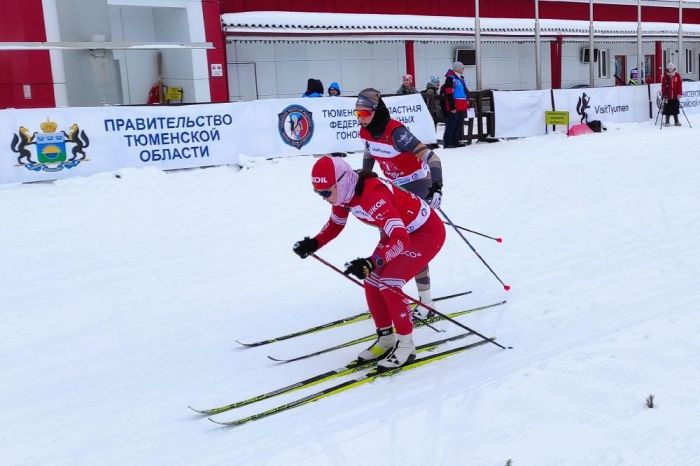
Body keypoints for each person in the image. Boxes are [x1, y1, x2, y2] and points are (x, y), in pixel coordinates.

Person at [292, 156, 446, 369]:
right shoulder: (345, 193)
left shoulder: (373, 196)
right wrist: (314, 243)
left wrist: (372, 262)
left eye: (326, 192)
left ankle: (406, 345)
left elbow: (401, 239)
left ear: (340, 182)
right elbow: (336, 224)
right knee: (372, 281)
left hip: (425, 233)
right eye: (319, 193)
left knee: (389, 283)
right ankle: (385, 339)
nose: (324, 198)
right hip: (398, 234)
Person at [354, 87, 444, 319]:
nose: (360, 118)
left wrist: (437, 187)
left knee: (411, 241)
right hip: (394, 187)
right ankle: (385, 291)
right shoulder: (365, 130)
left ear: (377, 111)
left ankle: (426, 301)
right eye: (357, 114)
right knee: (390, 236)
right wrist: (365, 177)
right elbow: (369, 152)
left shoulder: (396, 133)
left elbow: (433, 158)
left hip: (417, 182)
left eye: (364, 113)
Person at [441, 61, 469, 148]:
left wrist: (467, 101)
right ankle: (448, 142)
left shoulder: (461, 78)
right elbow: (449, 93)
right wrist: (452, 107)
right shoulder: (450, 78)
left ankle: (455, 141)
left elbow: (464, 91)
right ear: (457, 68)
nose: (463, 69)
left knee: (458, 124)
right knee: (451, 124)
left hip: (462, 105)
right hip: (455, 105)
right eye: (462, 68)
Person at [661, 63, 683, 127]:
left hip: (675, 96)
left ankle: (676, 121)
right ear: (667, 69)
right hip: (667, 96)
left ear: (674, 69)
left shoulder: (677, 75)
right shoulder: (665, 76)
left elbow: (679, 85)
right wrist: (664, 95)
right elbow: (663, 86)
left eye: (671, 68)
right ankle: (667, 122)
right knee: (667, 109)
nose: (670, 70)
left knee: (675, 108)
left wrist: (679, 94)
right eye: (669, 68)